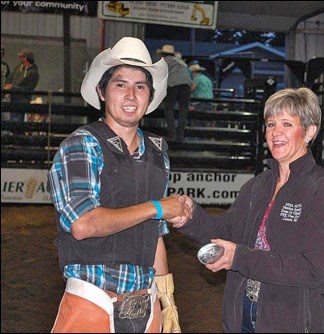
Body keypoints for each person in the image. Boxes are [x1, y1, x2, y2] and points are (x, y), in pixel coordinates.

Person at [170, 87, 324, 332]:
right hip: (242, 320)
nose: (275, 132)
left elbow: (313, 269)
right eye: (270, 124)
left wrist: (239, 257)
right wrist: (191, 217)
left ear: (309, 132)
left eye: (287, 124)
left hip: (291, 323)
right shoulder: (257, 186)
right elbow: (228, 230)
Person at [47, 37, 191, 333]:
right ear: (102, 91)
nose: (131, 95)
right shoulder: (82, 145)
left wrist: (167, 300)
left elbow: (155, 237)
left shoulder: (157, 151)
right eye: (120, 84)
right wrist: (156, 208)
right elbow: (83, 224)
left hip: (145, 303)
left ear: (149, 97)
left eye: (140, 86)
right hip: (93, 301)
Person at [157, 44, 192, 141]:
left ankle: (172, 133)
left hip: (174, 84)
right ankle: (180, 135)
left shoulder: (165, 61)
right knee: (183, 110)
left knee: (169, 108)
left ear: (163, 54)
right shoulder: (180, 62)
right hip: (187, 84)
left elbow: (160, 76)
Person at [4, 48, 39, 122]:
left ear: (25, 58)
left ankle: (17, 132)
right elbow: (10, 77)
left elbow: (29, 88)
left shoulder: (34, 73)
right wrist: (8, 86)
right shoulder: (18, 67)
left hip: (23, 100)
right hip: (13, 99)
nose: (20, 58)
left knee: (17, 120)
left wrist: (13, 87)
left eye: (21, 56)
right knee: (13, 119)